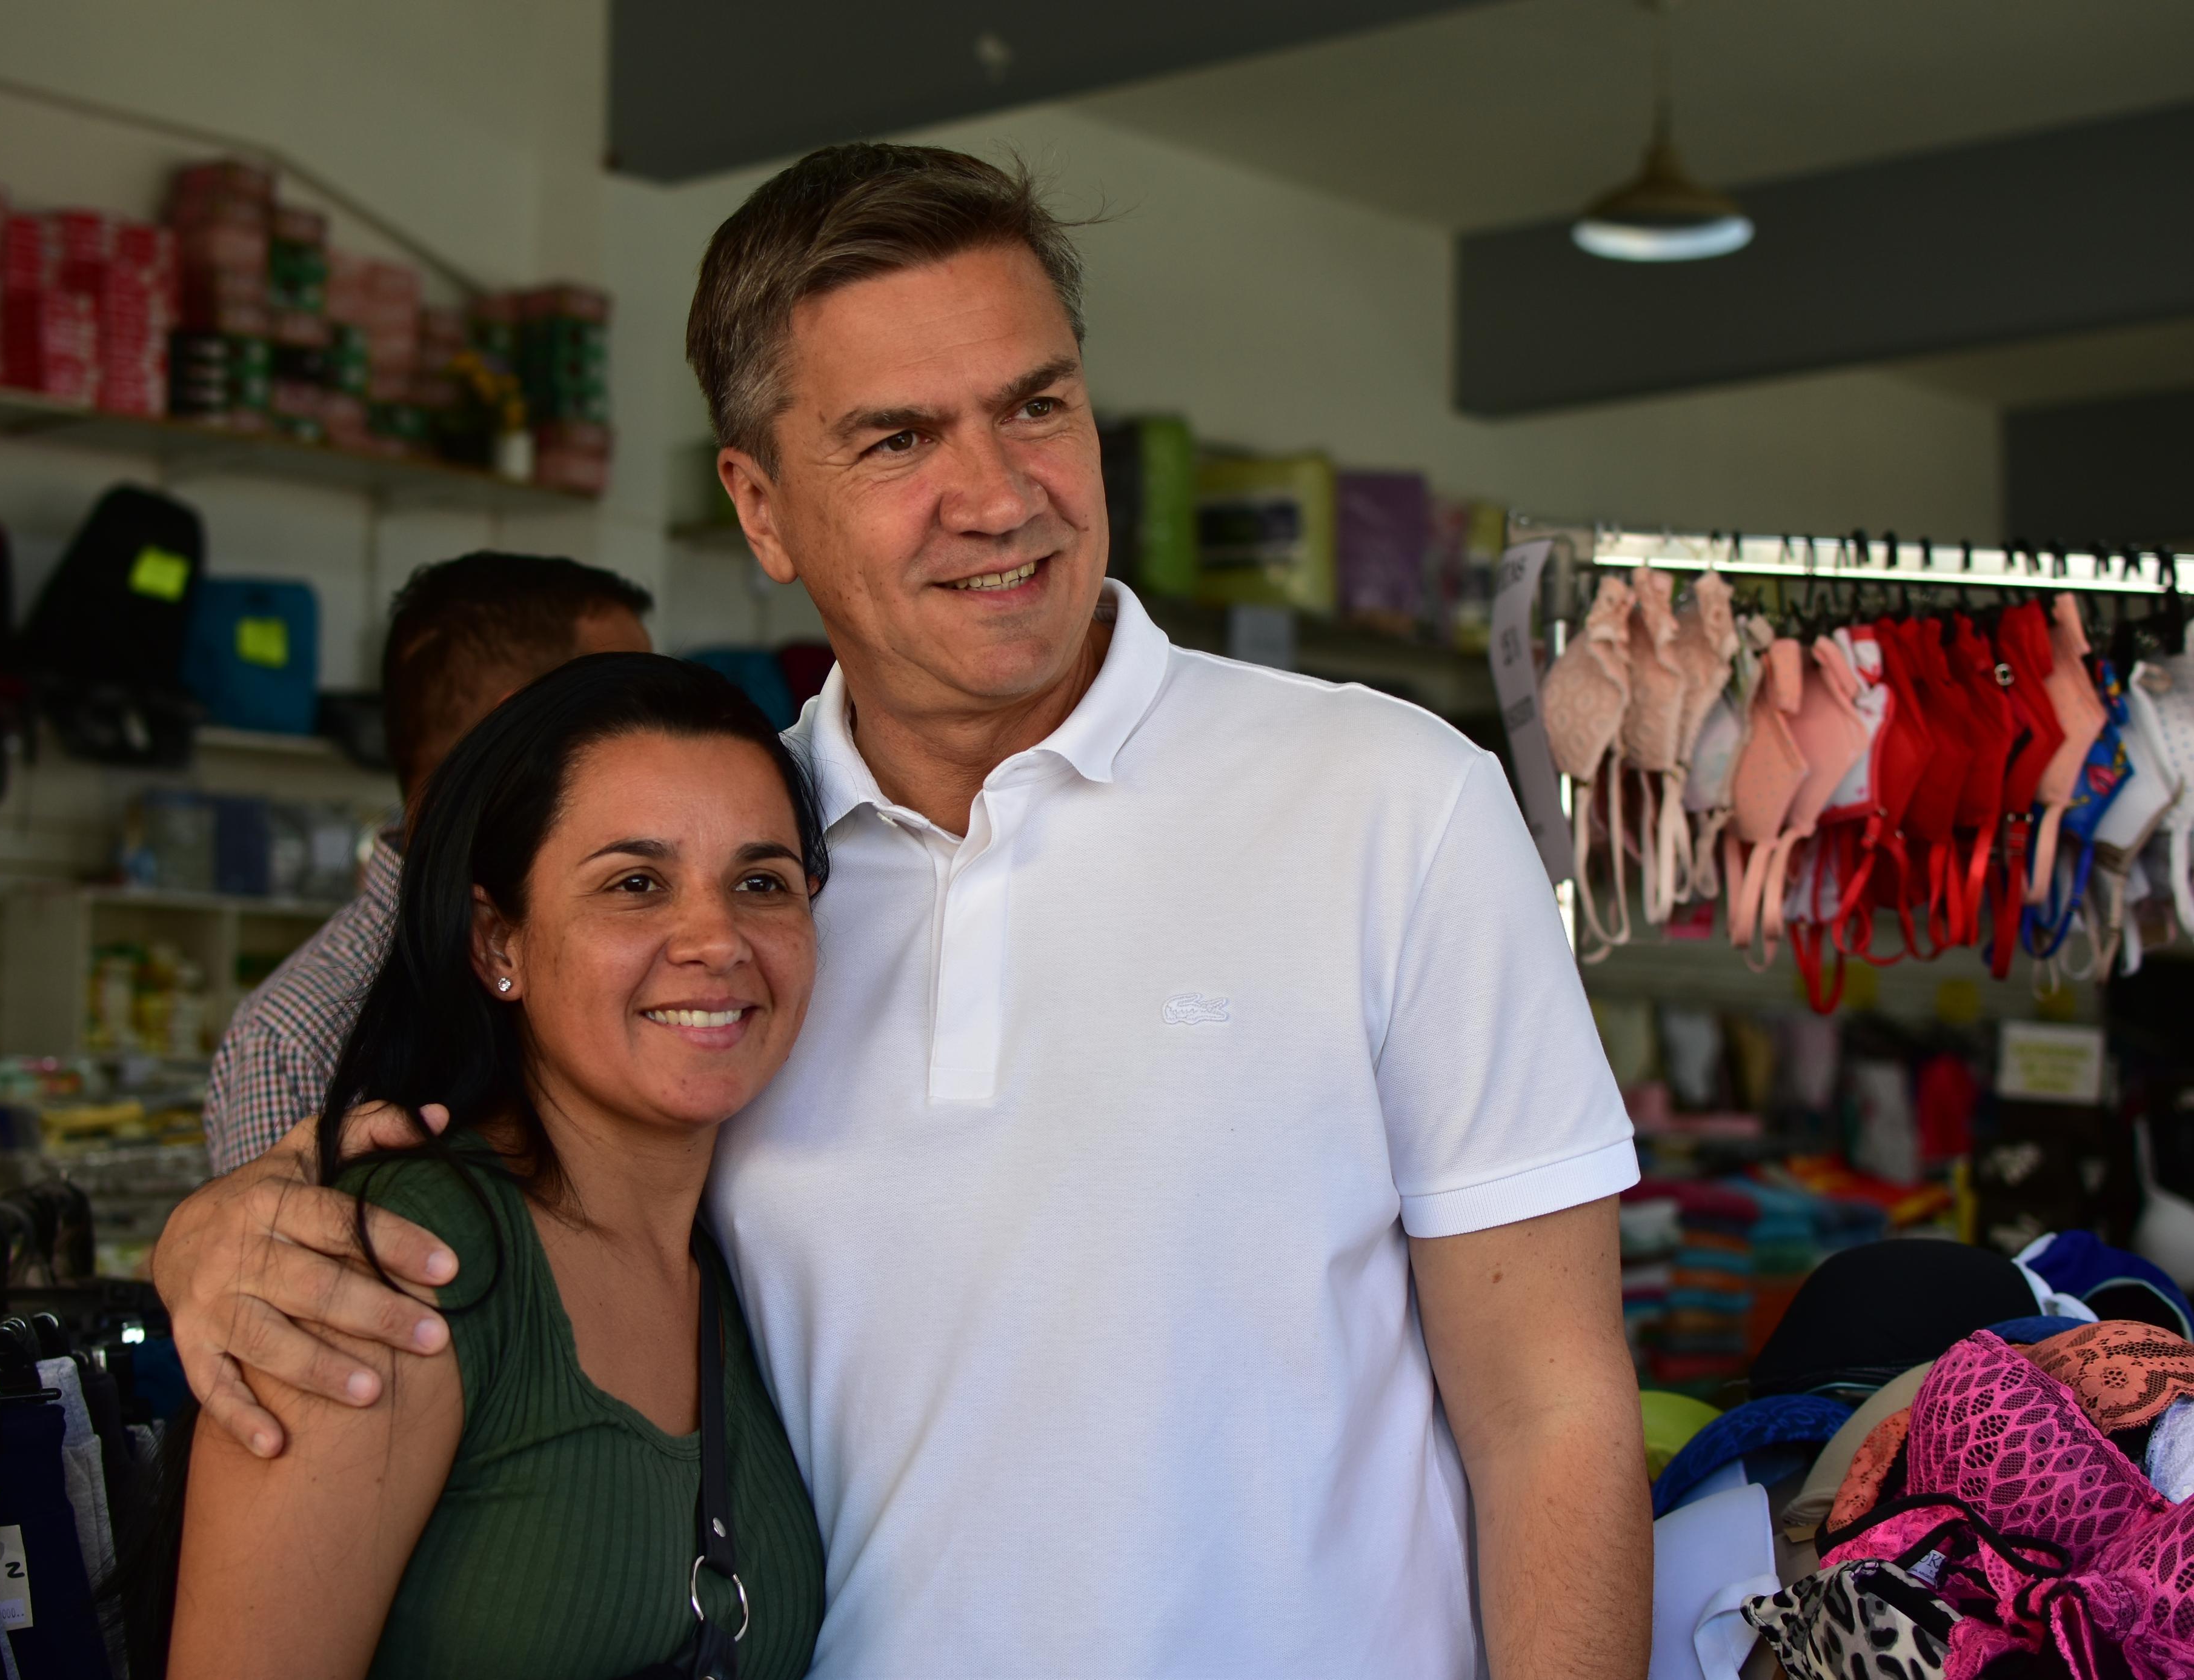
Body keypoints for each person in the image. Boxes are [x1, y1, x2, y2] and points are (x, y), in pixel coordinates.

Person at [154, 144, 1652, 1678]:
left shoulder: (1390, 801)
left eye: (1036, 406)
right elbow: (426, 1160)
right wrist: (205, 1236)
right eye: (896, 439)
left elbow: (1552, 1411)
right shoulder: (724, 904)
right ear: (761, 509)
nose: (997, 498)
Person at [170, 652, 830, 1679]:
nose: (717, 939)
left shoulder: (755, 1258)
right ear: (497, 943)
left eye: (761, 882)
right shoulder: (399, 1262)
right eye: (636, 883)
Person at [204, 551, 652, 1174]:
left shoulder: (641, 954)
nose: (659, 737)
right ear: (516, 729)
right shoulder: (299, 1037)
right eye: (627, 711)